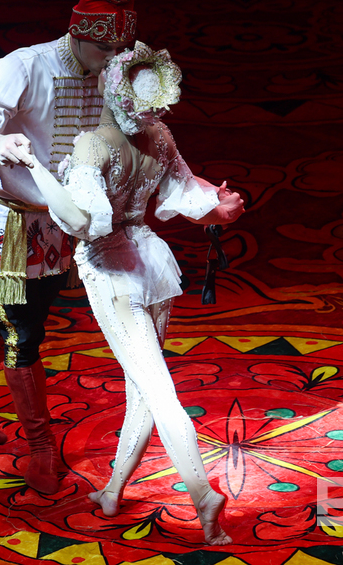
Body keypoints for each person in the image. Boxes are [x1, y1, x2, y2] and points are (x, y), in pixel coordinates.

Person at [20, 41, 243, 545]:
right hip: (153, 263)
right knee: (141, 387)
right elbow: (190, 197)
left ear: (108, 88)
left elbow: (85, 223)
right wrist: (223, 205)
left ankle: (203, 495)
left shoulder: (92, 145)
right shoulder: (160, 136)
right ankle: (114, 490)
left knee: (157, 391)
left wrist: (34, 167)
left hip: (114, 272)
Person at [0, 0, 137, 495]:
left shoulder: (110, 70)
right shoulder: (21, 68)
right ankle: (40, 446)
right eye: (104, 52)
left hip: (64, 219)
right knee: (24, 332)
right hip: (14, 222)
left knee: (24, 315)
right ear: (79, 35)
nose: (112, 64)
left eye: (120, 53)